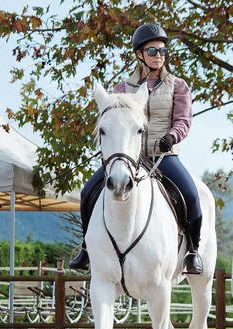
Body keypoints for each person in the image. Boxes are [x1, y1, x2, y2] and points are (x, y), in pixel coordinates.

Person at [70, 23, 203, 274]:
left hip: (163, 155)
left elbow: (184, 120)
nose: (159, 56)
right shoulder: (123, 88)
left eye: (163, 51)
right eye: (153, 51)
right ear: (139, 54)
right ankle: (87, 249)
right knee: (88, 191)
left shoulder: (178, 85)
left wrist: (172, 137)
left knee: (192, 195)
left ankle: (193, 252)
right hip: (129, 157)